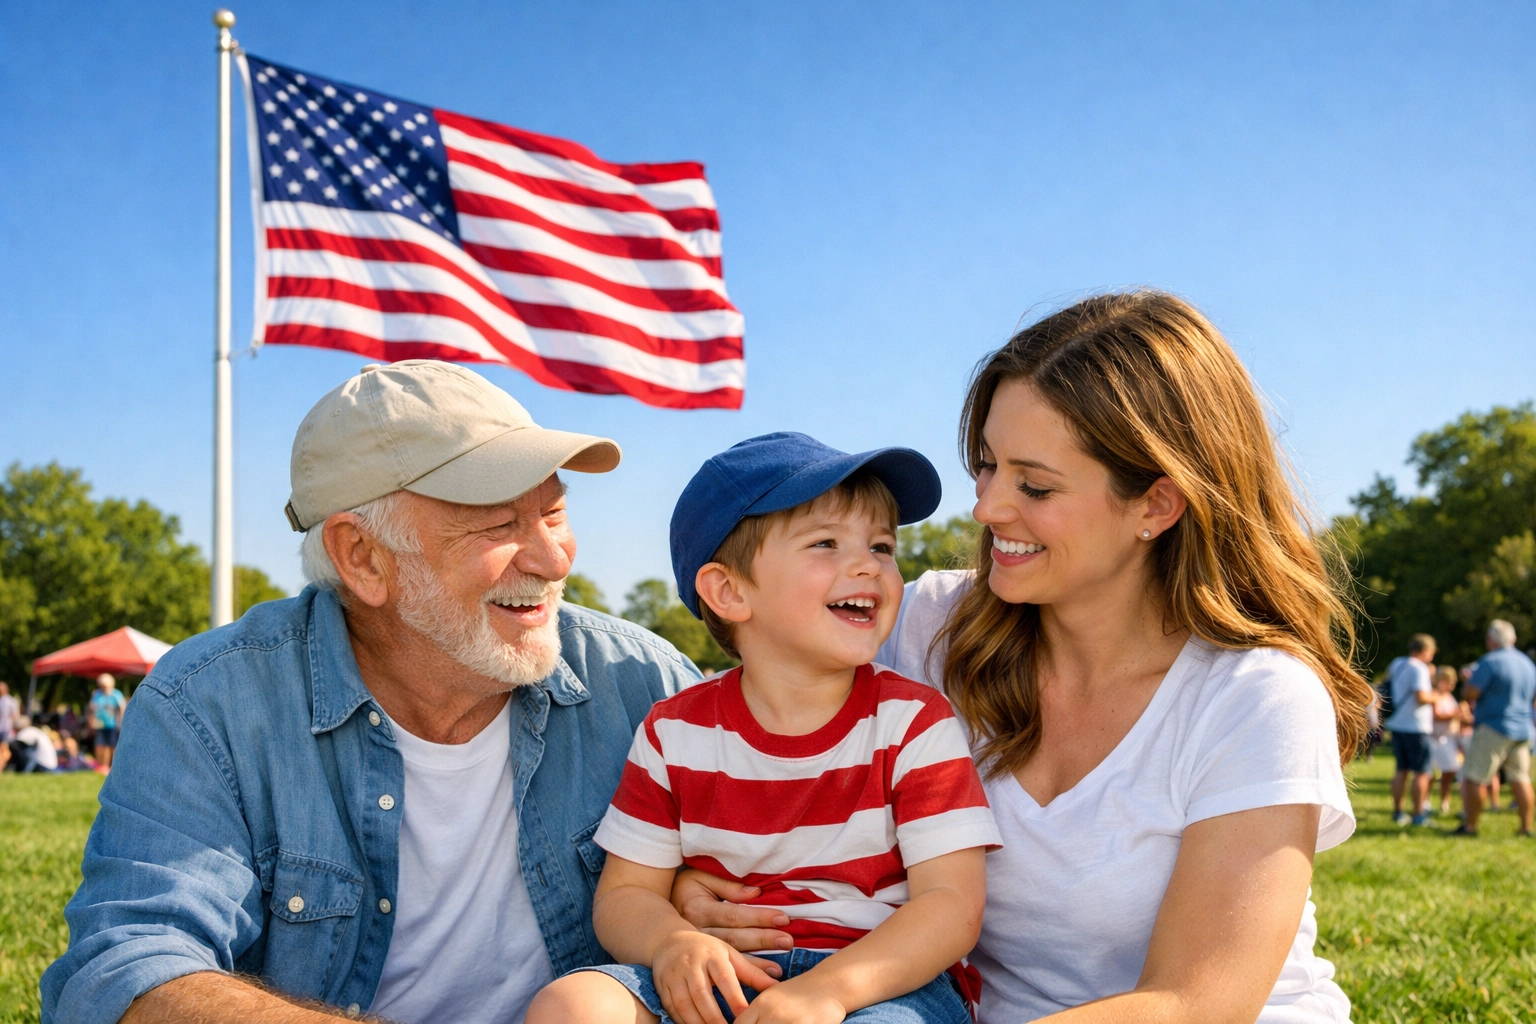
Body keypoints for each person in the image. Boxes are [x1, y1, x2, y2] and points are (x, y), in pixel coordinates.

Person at [675, 292, 1371, 1023]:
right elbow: (742, 728)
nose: (987, 508)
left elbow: (1193, 1003)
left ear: (1156, 506)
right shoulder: (923, 626)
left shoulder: (1256, 696)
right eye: (987, 467)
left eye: (1034, 485)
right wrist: (696, 881)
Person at [42, 360, 702, 1024]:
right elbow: (124, 973)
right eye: (500, 525)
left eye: (553, 512)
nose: (554, 558)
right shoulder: (209, 704)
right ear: (363, 557)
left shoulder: (645, 683)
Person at [529, 434, 1000, 1024]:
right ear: (729, 591)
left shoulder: (914, 722)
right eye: (826, 543)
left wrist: (827, 992)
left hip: (878, 982)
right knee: (572, 1004)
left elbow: (951, 904)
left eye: (881, 546)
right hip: (726, 969)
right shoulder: (674, 731)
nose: (869, 565)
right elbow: (625, 896)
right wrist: (672, 943)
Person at [1456, 619, 1536, 837]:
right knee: (1521, 779)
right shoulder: (1528, 664)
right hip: (1522, 729)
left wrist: (1467, 685)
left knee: (1475, 777)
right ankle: (1526, 828)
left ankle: (1470, 826)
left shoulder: (1490, 661)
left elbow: (1472, 692)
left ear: (1491, 639)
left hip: (1494, 727)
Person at [1384, 635, 1438, 826]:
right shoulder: (1420, 668)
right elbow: (1421, 697)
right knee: (1422, 772)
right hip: (1416, 725)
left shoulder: (1397, 663)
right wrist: (1437, 696)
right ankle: (1418, 814)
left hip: (1397, 722)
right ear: (1425, 651)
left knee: (1401, 770)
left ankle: (1398, 812)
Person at [1429, 666, 1462, 815]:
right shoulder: (1434, 695)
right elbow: (1436, 716)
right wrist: (1455, 714)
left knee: (1449, 772)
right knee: (1430, 773)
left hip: (1449, 738)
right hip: (1435, 738)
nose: (1451, 685)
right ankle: (1425, 800)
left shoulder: (1450, 697)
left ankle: (1444, 801)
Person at [88, 674, 127, 771]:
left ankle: (112, 766)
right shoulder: (97, 694)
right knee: (100, 745)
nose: (103, 688)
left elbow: (122, 708)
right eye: (101, 685)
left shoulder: (116, 694)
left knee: (111, 746)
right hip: (100, 724)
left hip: (113, 725)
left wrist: (120, 722)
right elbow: (92, 709)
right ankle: (102, 766)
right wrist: (91, 720)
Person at [0, 681, 17, 772]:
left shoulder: (10, 701)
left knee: (4, 749)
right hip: (2, 729)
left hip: (6, 729)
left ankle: (1, 767)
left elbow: (15, 716)